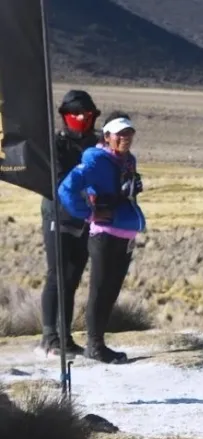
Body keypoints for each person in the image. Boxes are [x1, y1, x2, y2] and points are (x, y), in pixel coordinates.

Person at [58, 111, 145, 364]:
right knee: (100, 289)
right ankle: (94, 346)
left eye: (129, 133)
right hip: (104, 235)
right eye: (120, 134)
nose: (125, 138)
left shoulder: (128, 160)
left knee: (111, 291)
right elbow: (66, 188)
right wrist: (88, 213)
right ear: (107, 136)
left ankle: (99, 343)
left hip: (125, 233)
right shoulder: (95, 160)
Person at [37, 90, 102, 358]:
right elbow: (58, 180)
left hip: (87, 217)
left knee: (73, 277)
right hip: (58, 214)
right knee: (57, 275)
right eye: (75, 114)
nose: (81, 118)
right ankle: (50, 337)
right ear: (65, 116)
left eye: (86, 114)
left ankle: (65, 337)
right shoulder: (55, 145)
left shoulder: (98, 145)